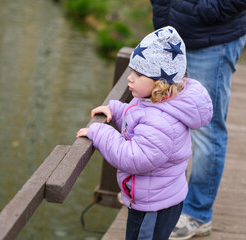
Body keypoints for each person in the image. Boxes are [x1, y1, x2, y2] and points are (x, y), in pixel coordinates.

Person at [76, 26, 213, 240]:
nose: (130, 78)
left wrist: (100, 133)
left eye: (138, 74)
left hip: (153, 207)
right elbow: (139, 121)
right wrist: (116, 111)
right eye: (132, 70)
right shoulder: (157, 101)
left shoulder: (161, 121)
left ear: (159, 83)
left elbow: (133, 157)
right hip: (155, 197)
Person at [150, 1, 246, 239]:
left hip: (212, 36)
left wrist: (206, 11)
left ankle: (198, 213)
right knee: (169, 121)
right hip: (171, 37)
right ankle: (170, 203)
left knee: (207, 130)